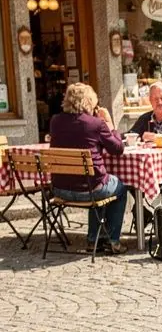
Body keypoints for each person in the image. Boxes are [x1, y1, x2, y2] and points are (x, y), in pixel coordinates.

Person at [48, 83, 129, 254]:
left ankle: (94, 240)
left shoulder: (55, 121)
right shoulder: (95, 124)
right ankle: (112, 240)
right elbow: (118, 149)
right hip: (91, 190)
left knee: (99, 181)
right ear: (89, 101)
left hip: (60, 190)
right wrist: (109, 123)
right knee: (119, 188)